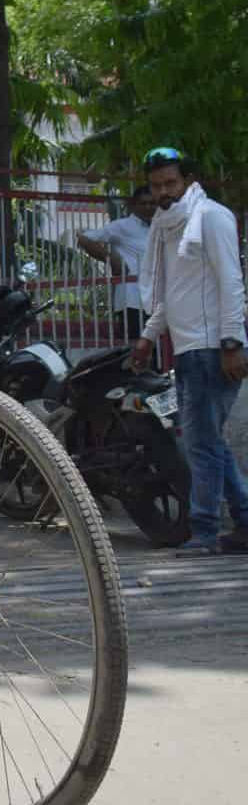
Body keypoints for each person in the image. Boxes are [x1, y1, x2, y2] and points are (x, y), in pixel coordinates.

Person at [132, 148, 248, 556]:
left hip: (212, 348)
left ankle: (204, 532)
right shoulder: (167, 226)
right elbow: (171, 293)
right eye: (156, 186)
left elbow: (231, 281)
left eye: (171, 183)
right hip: (187, 350)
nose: (164, 192)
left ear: (188, 181)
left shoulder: (211, 217)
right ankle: (244, 523)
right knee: (208, 441)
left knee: (200, 445)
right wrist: (148, 336)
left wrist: (231, 343)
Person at [78, 185, 155, 338]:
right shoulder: (122, 226)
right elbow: (84, 239)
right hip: (131, 300)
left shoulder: (160, 227)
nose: (148, 207)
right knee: (135, 346)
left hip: (156, 299)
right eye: (143, 203)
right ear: (134, 206)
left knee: (158, 348)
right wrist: (111, 259)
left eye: (152, 203)